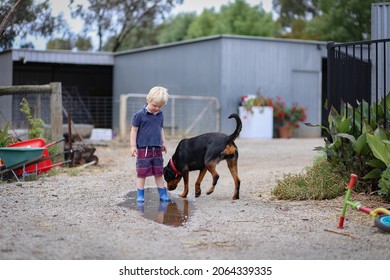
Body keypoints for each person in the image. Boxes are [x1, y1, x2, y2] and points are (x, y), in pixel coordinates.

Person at [130, 86, 171, 203]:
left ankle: (162, 194)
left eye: (160, 106)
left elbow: (160, 128)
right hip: (144, 149)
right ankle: (140, 195)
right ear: (148, 100)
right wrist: (133, 146)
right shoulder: (139, 115)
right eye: (155, 105)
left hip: (157, 149)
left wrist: (163, 142)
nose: (157, 108)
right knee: (141, 173)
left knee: (158, 172)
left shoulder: (160, 114)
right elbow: (134, 130)